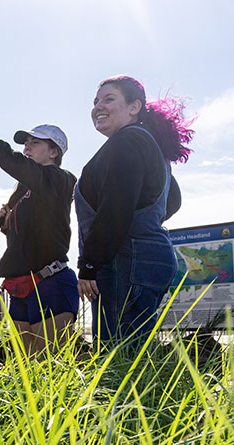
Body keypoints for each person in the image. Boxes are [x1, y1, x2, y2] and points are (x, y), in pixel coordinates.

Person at [76, 75, 190, 348]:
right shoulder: (147, 143)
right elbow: (170, 201)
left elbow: (116, 206)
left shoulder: (126, 141)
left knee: (117, 356)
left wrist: (89, 264)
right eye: (95, 101)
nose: (98, 106)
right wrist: (146, 226)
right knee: (137, 353)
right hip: (149, 258)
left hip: (124, 261)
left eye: (109, 99)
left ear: (134, 106)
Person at [0, 124, 78, 355]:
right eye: (25, 142)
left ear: (54, 152)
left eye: (35, 142)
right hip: (20, 284)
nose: (27, 146)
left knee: (47, 365)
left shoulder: (61, 179)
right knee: (25, 365)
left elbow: (23, 168)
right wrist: (5, 222)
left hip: (50, 281)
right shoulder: (24, 189)